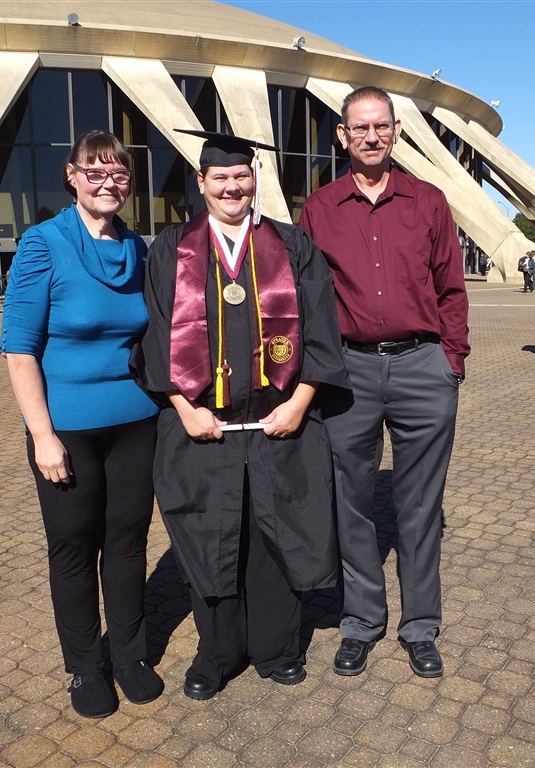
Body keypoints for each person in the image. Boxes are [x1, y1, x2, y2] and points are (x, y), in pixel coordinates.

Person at [139, 130, 348, 701]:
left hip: (280, 424)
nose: (232, 187)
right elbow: (156, 334)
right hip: (202, 429)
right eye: (220, 177)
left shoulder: (291, 244)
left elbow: (322, 331)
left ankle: (277, 648)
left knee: (276, 535)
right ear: (201, 183)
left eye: (241, 176)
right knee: (209, 536)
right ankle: (218, 653)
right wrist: (183, 409)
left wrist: (299, 404)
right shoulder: (172, 248)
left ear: (254, 179)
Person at [300, 86, 469, 680]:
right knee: (351, 503)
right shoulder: (320, 208)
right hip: (349, 371)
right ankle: (362, 622)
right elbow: (306, 298)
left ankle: (420, 626)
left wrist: (451, 361)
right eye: (360, 127)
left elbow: (451, 287)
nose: (371, 136)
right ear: (342, 135)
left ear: (396, 130)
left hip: (423, 367)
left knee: (420, 506)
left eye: (381, 126)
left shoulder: (428, 201)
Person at [0, 130, 161, 719]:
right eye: (95, 172)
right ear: (72, 176)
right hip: (66, 428)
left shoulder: (138, 247)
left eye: (118, 174)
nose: (108, 183)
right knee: (73, 547)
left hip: (136, 423)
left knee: (127, 543)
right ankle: (85, 666)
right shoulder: (43, 243)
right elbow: (19, 349)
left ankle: (130, 655)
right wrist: (42, 435)